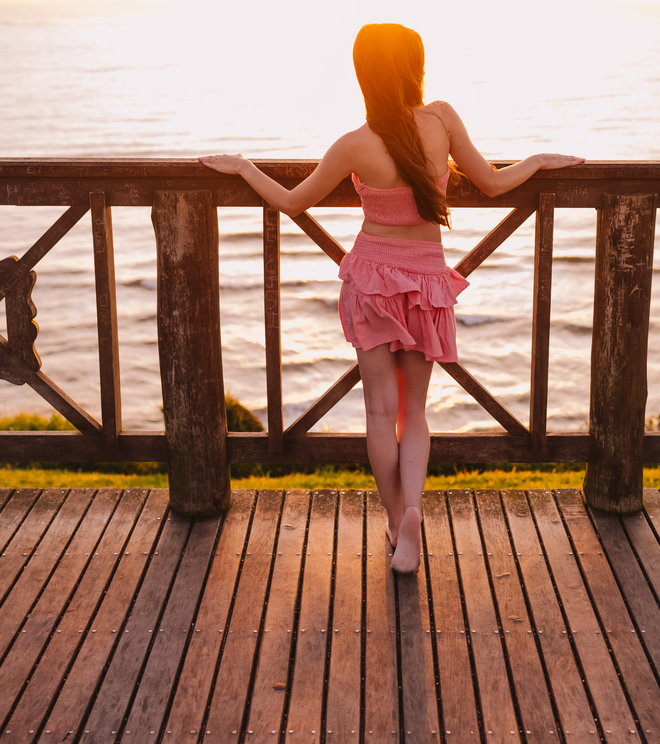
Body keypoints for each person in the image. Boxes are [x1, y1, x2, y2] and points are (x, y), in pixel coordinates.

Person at [200, 23, 582, 574]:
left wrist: (243, 167)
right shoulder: (443, 118)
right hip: (426, 280)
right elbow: (496, 184)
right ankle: (413, 511)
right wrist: (540, 161)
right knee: (415, 411)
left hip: (374, 279)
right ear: (415, 66)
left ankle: (392, 519)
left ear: (363, 74)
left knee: (380, 409)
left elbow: (290, 203)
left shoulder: (354, 143)